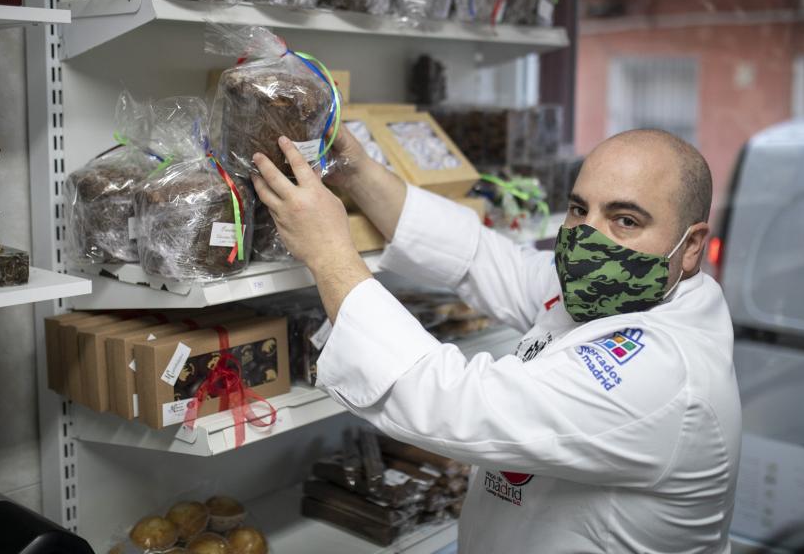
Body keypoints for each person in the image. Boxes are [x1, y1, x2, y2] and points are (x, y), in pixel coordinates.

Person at [251, 127, 741, 554]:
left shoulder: (665, 373)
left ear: (692, 245)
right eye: (578, 209)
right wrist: (357, 172)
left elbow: (448, 402)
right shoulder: (612, 294)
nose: (587, 238)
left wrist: (329, 252)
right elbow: (479, 258)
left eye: (626, 220)